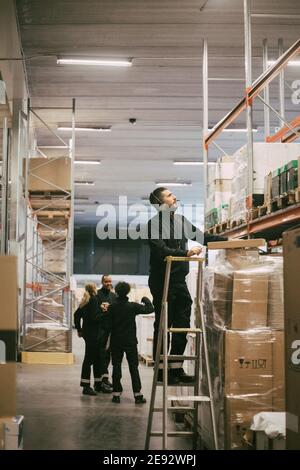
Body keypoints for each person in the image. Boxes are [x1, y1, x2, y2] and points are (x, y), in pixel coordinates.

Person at [148, 187, 226, 384]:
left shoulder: (181, 221)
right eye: (168, 195)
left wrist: (228, 241)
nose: (174, 197)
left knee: (182, 323)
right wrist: (186, 254)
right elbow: (160, 252)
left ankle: (175, 369)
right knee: (164, 324)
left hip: (179, 280)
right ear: (159, 203)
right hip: (162, 281)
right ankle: (160, 369)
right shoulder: (154, 225)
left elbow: (202, 238)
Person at [105, 282, 154, 404]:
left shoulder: (112, 307)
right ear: (127, 292)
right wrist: (146, 299)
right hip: (130, 341)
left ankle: (116, 394)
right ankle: (137, 395)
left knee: (116, 366)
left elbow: (106, 326)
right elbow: (150, 309)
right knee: (134, 368)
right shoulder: (132, 306)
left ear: (116, 292)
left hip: (116, 341)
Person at [74, 283, 107, 395]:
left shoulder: (85, 300)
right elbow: (95, 317)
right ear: (94, 289)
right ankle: (86, 386)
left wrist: (79, 329)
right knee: (89, 359)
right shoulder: (93, 300)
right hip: (94, 334)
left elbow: (76, 315)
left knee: (97, 358)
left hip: (88, 334)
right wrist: (105, 312)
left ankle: (97, 384)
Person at [97, 275, 117, 391]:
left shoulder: (113, 296)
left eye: (109, 281)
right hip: (100, 330)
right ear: (102, 282)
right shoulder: (97, 295)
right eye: (106, 281)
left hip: (111, 330)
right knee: (101, 356)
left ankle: (105, 379)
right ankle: (100, 381)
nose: (108, 283)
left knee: (107, 356)